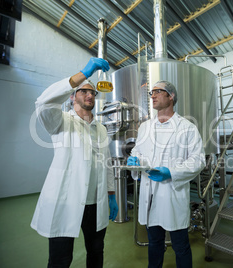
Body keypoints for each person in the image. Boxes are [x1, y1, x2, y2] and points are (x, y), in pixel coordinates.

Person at [31, 57, 118, 268]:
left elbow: (106, 163)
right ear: (72, 97)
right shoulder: (60, 121)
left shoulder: (101, 128)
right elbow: (43, 102)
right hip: (66, 201)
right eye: (84, 91)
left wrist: (111, 194)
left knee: (96, 252)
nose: (90, 95)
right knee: (61, 259)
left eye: (93, 93)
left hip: (95, 203)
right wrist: (84, 73)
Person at [127, 81, 205, 268]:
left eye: (157, 92)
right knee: (154, 243)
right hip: (150, 195)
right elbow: (137, 151)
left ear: (171, 96)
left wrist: (171, 172)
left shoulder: (187, 128)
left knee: (181, 246)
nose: (152, 96)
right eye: (151, 92)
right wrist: (134, 161)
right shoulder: (145, 127)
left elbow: (198, 160)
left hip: (172, 193)